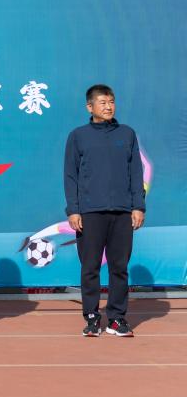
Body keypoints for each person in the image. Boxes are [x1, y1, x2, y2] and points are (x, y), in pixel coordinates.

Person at [64, 84, 145, 338]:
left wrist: (138, 206)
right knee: (90, 267)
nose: (108, 107)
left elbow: (136, 173)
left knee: (119, 267)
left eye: (111, 102)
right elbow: (70, 175)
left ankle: (117, 319)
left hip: (122, 211)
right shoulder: (78, 136)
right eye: (103, 102)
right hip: (90, 212)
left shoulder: (127, 134)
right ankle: (91, 317)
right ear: (90, 107)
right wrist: (73, 210)